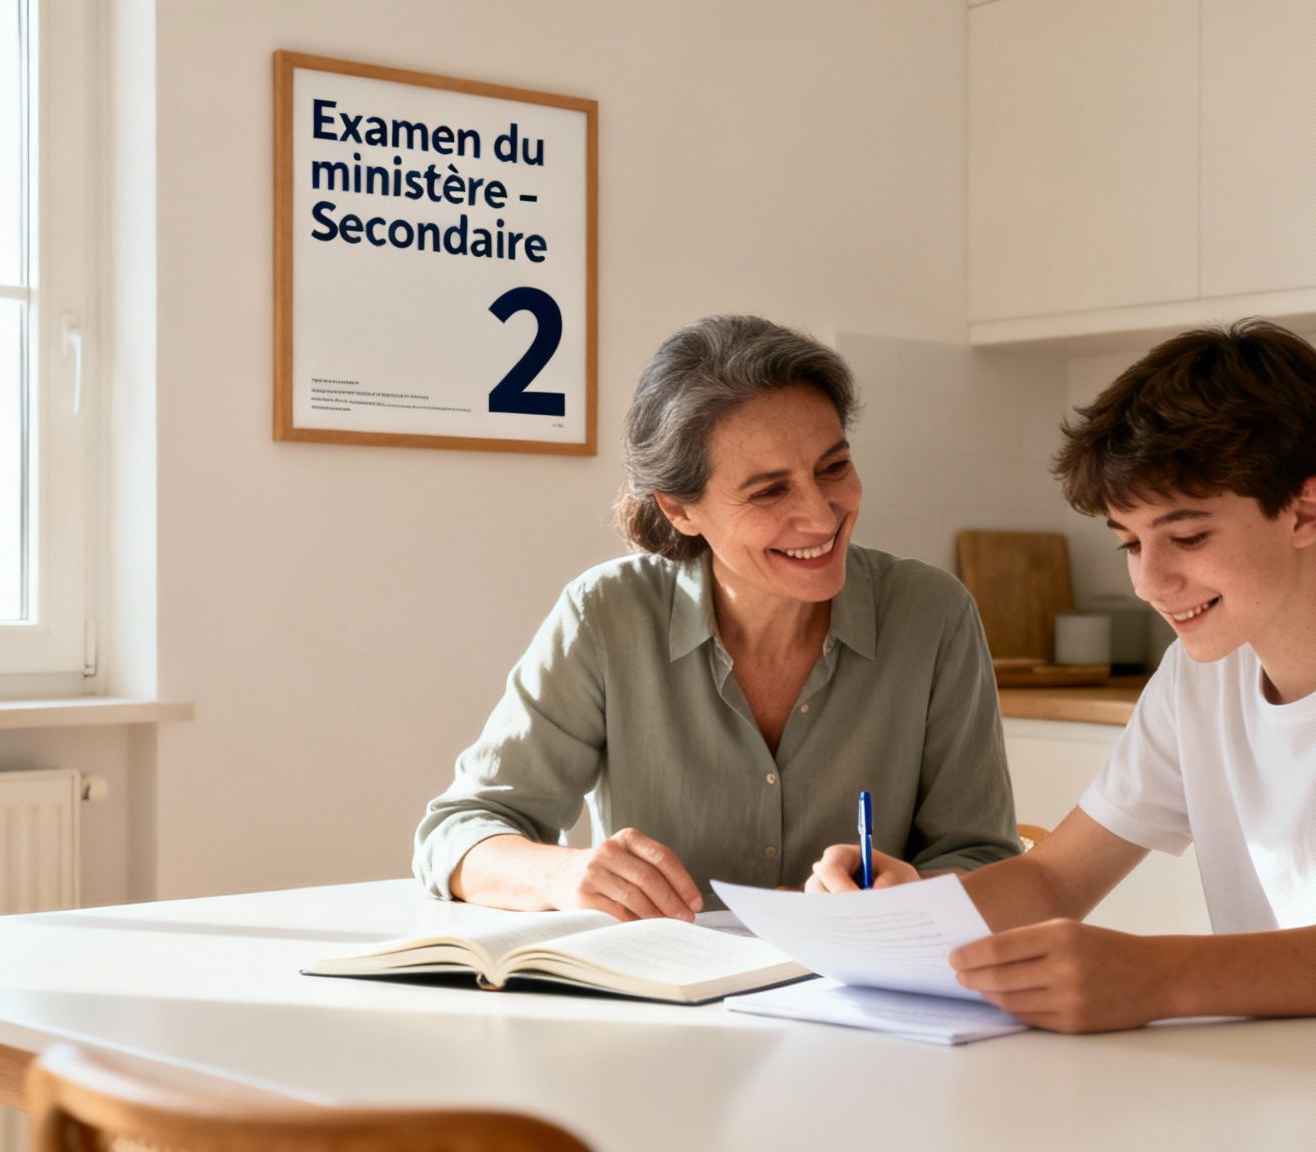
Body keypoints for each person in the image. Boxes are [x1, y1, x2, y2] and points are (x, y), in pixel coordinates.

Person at [809, 320, 1316, 1039]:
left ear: (1307, 511)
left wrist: (1158, 977)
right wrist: (897, 922)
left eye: (1187, 535)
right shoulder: (1199, 678)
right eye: (1129, 543)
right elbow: (1056, 878)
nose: (1148, 581)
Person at [415, 315, 1018, 920]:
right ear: (679, 510)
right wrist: (564, 874)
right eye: (768, 491)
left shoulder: (933, 615)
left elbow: (987, 859)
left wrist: (906, 892)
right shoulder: (605, 616)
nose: (820, 515)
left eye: (832, 467)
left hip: (861, 1003)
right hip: (660, 1005)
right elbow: (458, 831)